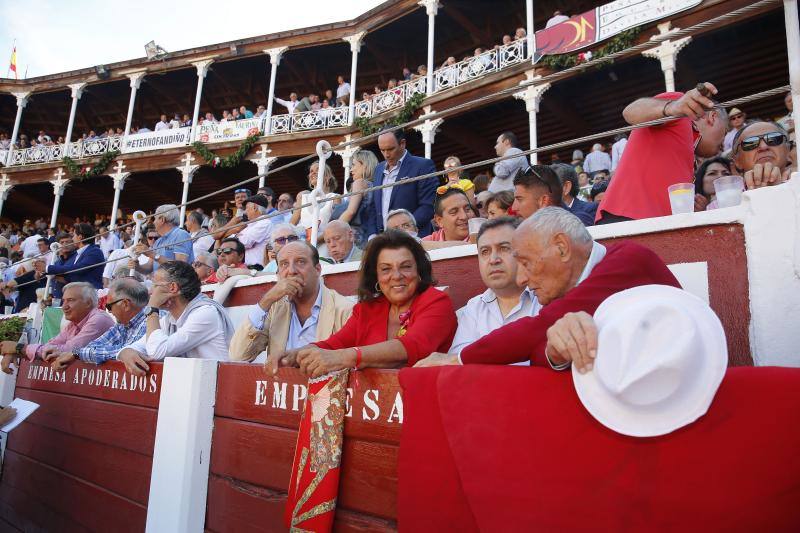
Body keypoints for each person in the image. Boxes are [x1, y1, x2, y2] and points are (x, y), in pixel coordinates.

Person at [414, 208, 680, 367]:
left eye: (526, 263)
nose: (522, 279)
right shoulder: (568, 288)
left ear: (562, 248)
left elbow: (536, 330)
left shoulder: (628, 260)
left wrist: (455, 360)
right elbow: (540, 352)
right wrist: (554, 350)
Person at [266, 230, 457, 377]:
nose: (396, 276)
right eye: (386, 269)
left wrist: (344, 358)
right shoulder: (367, 309)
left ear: (419, 270)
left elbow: (412, 346)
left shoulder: (436, 302)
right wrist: (293, 355)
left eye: (406, 267)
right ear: (376, 276)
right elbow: (333, 345)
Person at [596, 82, 727, 223]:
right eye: (725, 132)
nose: (723, 147)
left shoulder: (689, 147)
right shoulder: (681, 111)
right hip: (627, 217)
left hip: (655, 226)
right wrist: (673, 107)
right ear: (713, 117)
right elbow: (631, 111)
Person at [229, 241, 354, 363]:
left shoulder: (345, 310)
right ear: (278, 275)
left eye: (300, 262)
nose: (292, 271)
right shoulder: (274, 307)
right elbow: (238, 356)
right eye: (284, 264)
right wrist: (266, 300)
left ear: (317, 269)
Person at [117, 261, 234, 374]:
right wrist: (125, 352)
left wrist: (152, 309)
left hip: (216, 388)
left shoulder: (205, 313)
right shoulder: (169, 319)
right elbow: (142, 345)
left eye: (155, 285)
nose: (150, 291)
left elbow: (157, 351)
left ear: (172, 287)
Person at [448, 217, 536, 362]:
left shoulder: (544, 298)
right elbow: (457, 364)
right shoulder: (474, 308)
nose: (493, 259)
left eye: (504, 248)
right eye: (485, 252)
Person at [0, 282, 115, 373]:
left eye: (70, 300)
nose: (64, 306)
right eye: (63, 301)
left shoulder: (99, 319)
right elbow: (51, 346)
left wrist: (19, 348)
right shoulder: (73, 324)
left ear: (88, 303)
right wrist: (14, 351)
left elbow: (69, 350)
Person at [47, 278, 149, 369]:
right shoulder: (121, 325)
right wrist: (77, 352)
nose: (109, 312)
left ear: (125, 304)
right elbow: (92, 346)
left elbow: (128, 350)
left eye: (109, 307)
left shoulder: (149, 320)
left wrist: (77, 353)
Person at [365, 128, 437, 238]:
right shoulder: (378, 169)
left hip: (413, 238)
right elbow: (374, 207)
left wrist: (404, 229)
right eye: (382, 150)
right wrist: (372, 235)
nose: (386, 154)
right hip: (383, 241)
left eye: (390, 149)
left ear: (402, 144)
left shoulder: (423, 166)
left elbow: (428, 205)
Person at [332, 149, 378, 246]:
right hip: (366, 236)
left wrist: (332, 231)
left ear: (364, 165)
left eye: (354, 165)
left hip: (356, 239)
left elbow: (350, 212)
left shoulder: (359, 182)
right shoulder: (373, 186)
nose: (351, 169)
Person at [730, 120, 792, 190]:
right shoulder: (730, 199)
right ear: (737, 161)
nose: (763, 147)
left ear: (788, 150)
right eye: (750, 143)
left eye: (773, 139)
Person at [135, 204, 193, 273]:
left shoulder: (181, 234)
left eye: (155, 218)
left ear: (162, 219)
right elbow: (149, 267)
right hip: (158, 282)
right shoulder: (158, 241)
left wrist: (151, 254)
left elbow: (180, 266)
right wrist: (137, 267)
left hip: (175, 283)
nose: (153, 222)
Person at [47, 223, 105, 289]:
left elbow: (77, 269)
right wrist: (50, 274)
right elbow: (73, 277)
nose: (72, 239)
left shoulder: (94, 251)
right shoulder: (79, 254)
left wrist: (49, 268)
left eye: (74, 235)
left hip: (89, 294)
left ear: (80, 237)